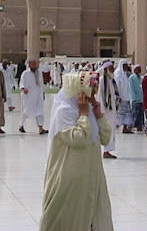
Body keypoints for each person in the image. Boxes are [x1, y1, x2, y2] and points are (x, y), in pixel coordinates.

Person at [40, 71, 113, 231]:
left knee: (95, 220)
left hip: (92, 177)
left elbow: (106, 138)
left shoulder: (88, 111)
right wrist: (84, 114)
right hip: (71, 180)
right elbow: (78, 139)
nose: (91, 94)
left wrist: (97, 111)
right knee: (69, 221)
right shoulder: (64, 111)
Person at [19, 58, 47, 134]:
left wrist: (43, 93)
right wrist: (23, 88)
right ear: (29, 64)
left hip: (38, 94)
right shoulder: (25, 73)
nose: (35, 65)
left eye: (36, 64)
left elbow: (41, 83)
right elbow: (21, 83)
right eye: (33, 64)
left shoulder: (39, 72)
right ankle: (21, 125)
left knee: (40, 111)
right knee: (26, 111)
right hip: (28, 96)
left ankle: (40, 128)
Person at [98, 61, 119, 158]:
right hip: (106, 110)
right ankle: (106, 151)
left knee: (112, 130)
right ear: (106, 70)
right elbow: (100, 95)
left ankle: (108, 150)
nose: (113, 70)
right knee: (108, 130)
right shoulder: (103, 80)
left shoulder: (112, 80)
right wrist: (102, 110)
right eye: (111, 68)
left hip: (112, 110)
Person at [114, 59, 133, 134]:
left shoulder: (125, 74)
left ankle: (126, 127)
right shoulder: (118, 74)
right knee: (120, 113)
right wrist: (118, 97)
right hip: (121, 97)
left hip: (127, 97)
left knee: (127, 113)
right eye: (124, 65)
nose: (126, 67)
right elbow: (117, 86)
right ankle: (121, 127)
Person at [128, 64, 144, 131]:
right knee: (134, 113)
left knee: (141, 114)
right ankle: (130, 126)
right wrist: (133, 99)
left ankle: (139, 126)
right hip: (135, 99)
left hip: (141, 99)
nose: (139, 70)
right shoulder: (131, 77)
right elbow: (131, 88)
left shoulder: (141, 78)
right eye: (138, 68)